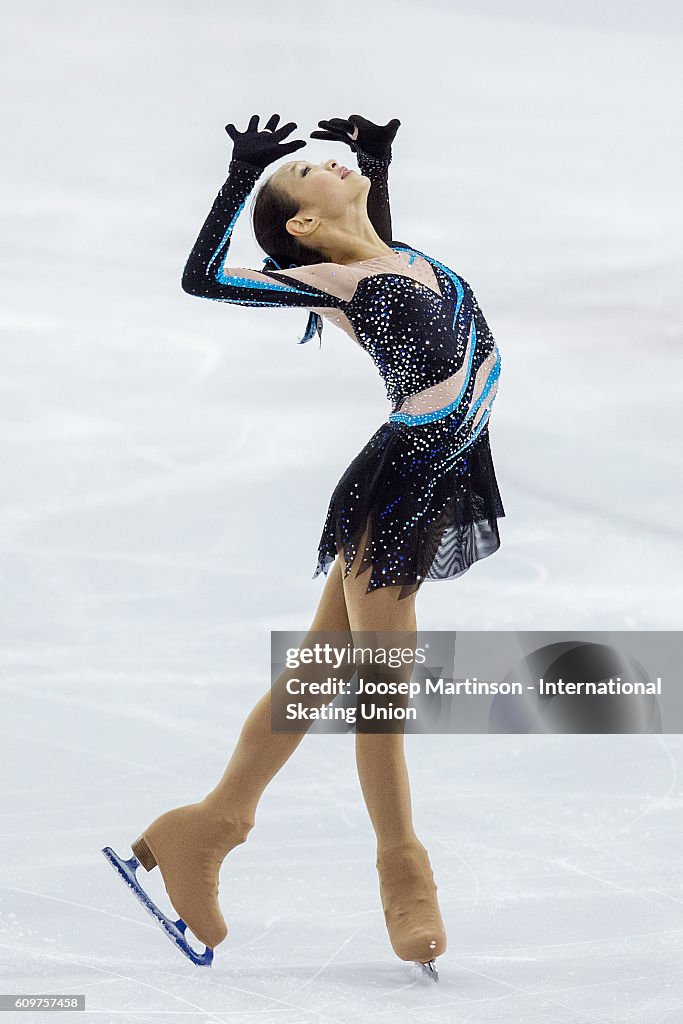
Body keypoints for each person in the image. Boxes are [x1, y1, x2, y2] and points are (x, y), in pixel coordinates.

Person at [102, 112, 505, 980]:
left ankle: (207, 826)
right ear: (301, 227)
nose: (324, 161)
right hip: (399, 484)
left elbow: (377, 243)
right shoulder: (332, 284)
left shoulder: (397, 258)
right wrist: (239, 174)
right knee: (379, 694)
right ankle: (402, 869)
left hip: (440, 471)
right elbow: (202, 279)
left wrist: (374, 163)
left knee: (321, 670)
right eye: (311, 173)